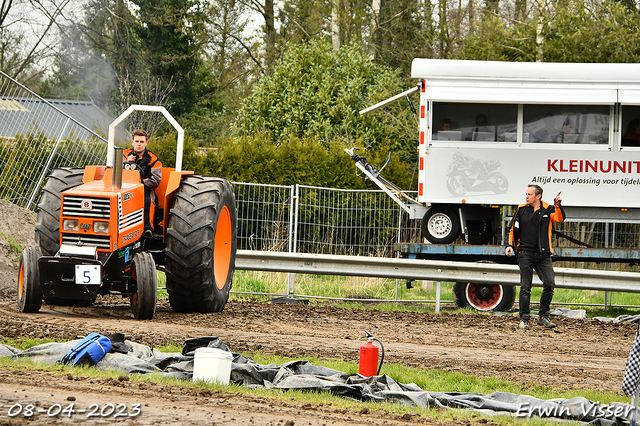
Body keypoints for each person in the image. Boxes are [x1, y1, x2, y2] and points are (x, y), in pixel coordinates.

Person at [505, 185, 565, 329]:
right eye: (526, 194)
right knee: (525, 287)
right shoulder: (521, 209)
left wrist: (558, 206)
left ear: (538, 196)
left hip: (543, 254)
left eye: (529, 194)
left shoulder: (548, 209)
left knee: (549, 284)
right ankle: (524, 318)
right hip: (525, 253)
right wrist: (509, 245)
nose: (526, 197)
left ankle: (543, 316)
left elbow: (559, 219)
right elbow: (512, 229)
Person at [123, 129, 162, 235]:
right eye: (137, 141)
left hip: (145, 188)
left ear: (146, 143)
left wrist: (140, 183)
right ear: (132, 142)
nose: (139, 144)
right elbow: (115, 171)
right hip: (125, 188)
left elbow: (156, 180)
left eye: (141, 142)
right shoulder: (124, 155)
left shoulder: (153, 159)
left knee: (148, 200)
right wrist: (127, 163)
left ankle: (148, 229)